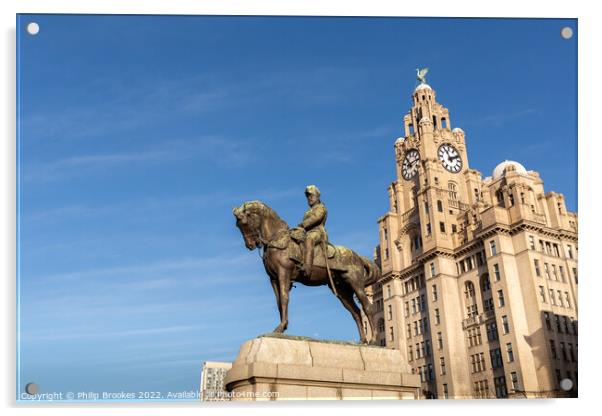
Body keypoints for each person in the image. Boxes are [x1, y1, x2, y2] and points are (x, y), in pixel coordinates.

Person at [298, 185, 328, 277]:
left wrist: (303, 225)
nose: (309, 198)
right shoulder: (308, 212)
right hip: (307, 232)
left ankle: (308, 268)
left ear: (317, 196)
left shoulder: (321, 207)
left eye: (311, 196)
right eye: (308, 196)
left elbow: (316, 218)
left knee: (309, 240)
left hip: (318, 232)